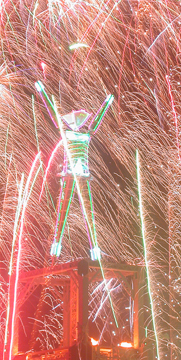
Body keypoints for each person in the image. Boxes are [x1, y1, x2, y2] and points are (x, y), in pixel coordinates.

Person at [35, 81, 114, 260]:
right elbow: (54, 115)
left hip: (79, 174)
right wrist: (43, 92)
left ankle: (92, 249)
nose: (78, 124)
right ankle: (58, 247)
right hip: (74, 173)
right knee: (65, 212)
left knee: (85, 213)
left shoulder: (82, 134)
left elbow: (96, 121)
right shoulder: (72, 133)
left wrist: (107, 104)